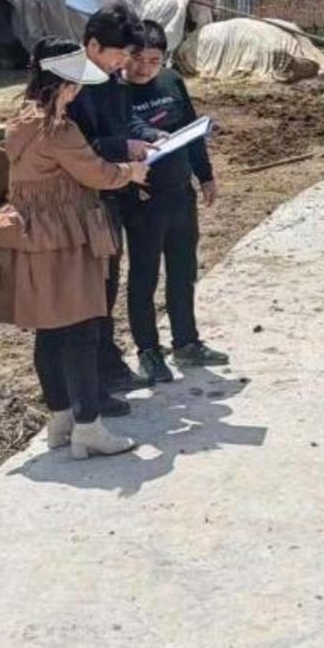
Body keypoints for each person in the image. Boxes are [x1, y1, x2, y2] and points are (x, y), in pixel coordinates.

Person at [0, 37, 150, 460]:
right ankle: (89, 428)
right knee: (82, 329)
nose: (79, 91)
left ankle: (60, 419)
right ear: (65, 84)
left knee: (50, 331)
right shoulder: (58, 130)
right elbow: (96, 173)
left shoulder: (20, 122)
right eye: (76, 83)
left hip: (32, 235)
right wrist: (130, 171)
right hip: (65, 237)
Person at [123, 20, 229, 382]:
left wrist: (205, 175)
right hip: (142, 199)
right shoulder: (114, 92)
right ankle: (148, 350)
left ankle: (186, 342)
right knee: (144, 275)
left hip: (180, 193)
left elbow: (191, 131)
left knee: (183, 271)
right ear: (126, 54)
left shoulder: (171, 81)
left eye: (153, 60)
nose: (144, 68)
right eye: (138, 58)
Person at [68, 2, 159, 396]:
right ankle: (93, 375)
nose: (124, 63)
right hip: (80, 200)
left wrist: (150, 137)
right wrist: (124, 146)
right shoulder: (69, 85)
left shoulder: (111, 79)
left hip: (112, 193)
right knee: (90, 288)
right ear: (92, 45)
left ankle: (106, 361)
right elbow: (73, 146)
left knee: (107, 282)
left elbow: (125, 121)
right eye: (119, 54)